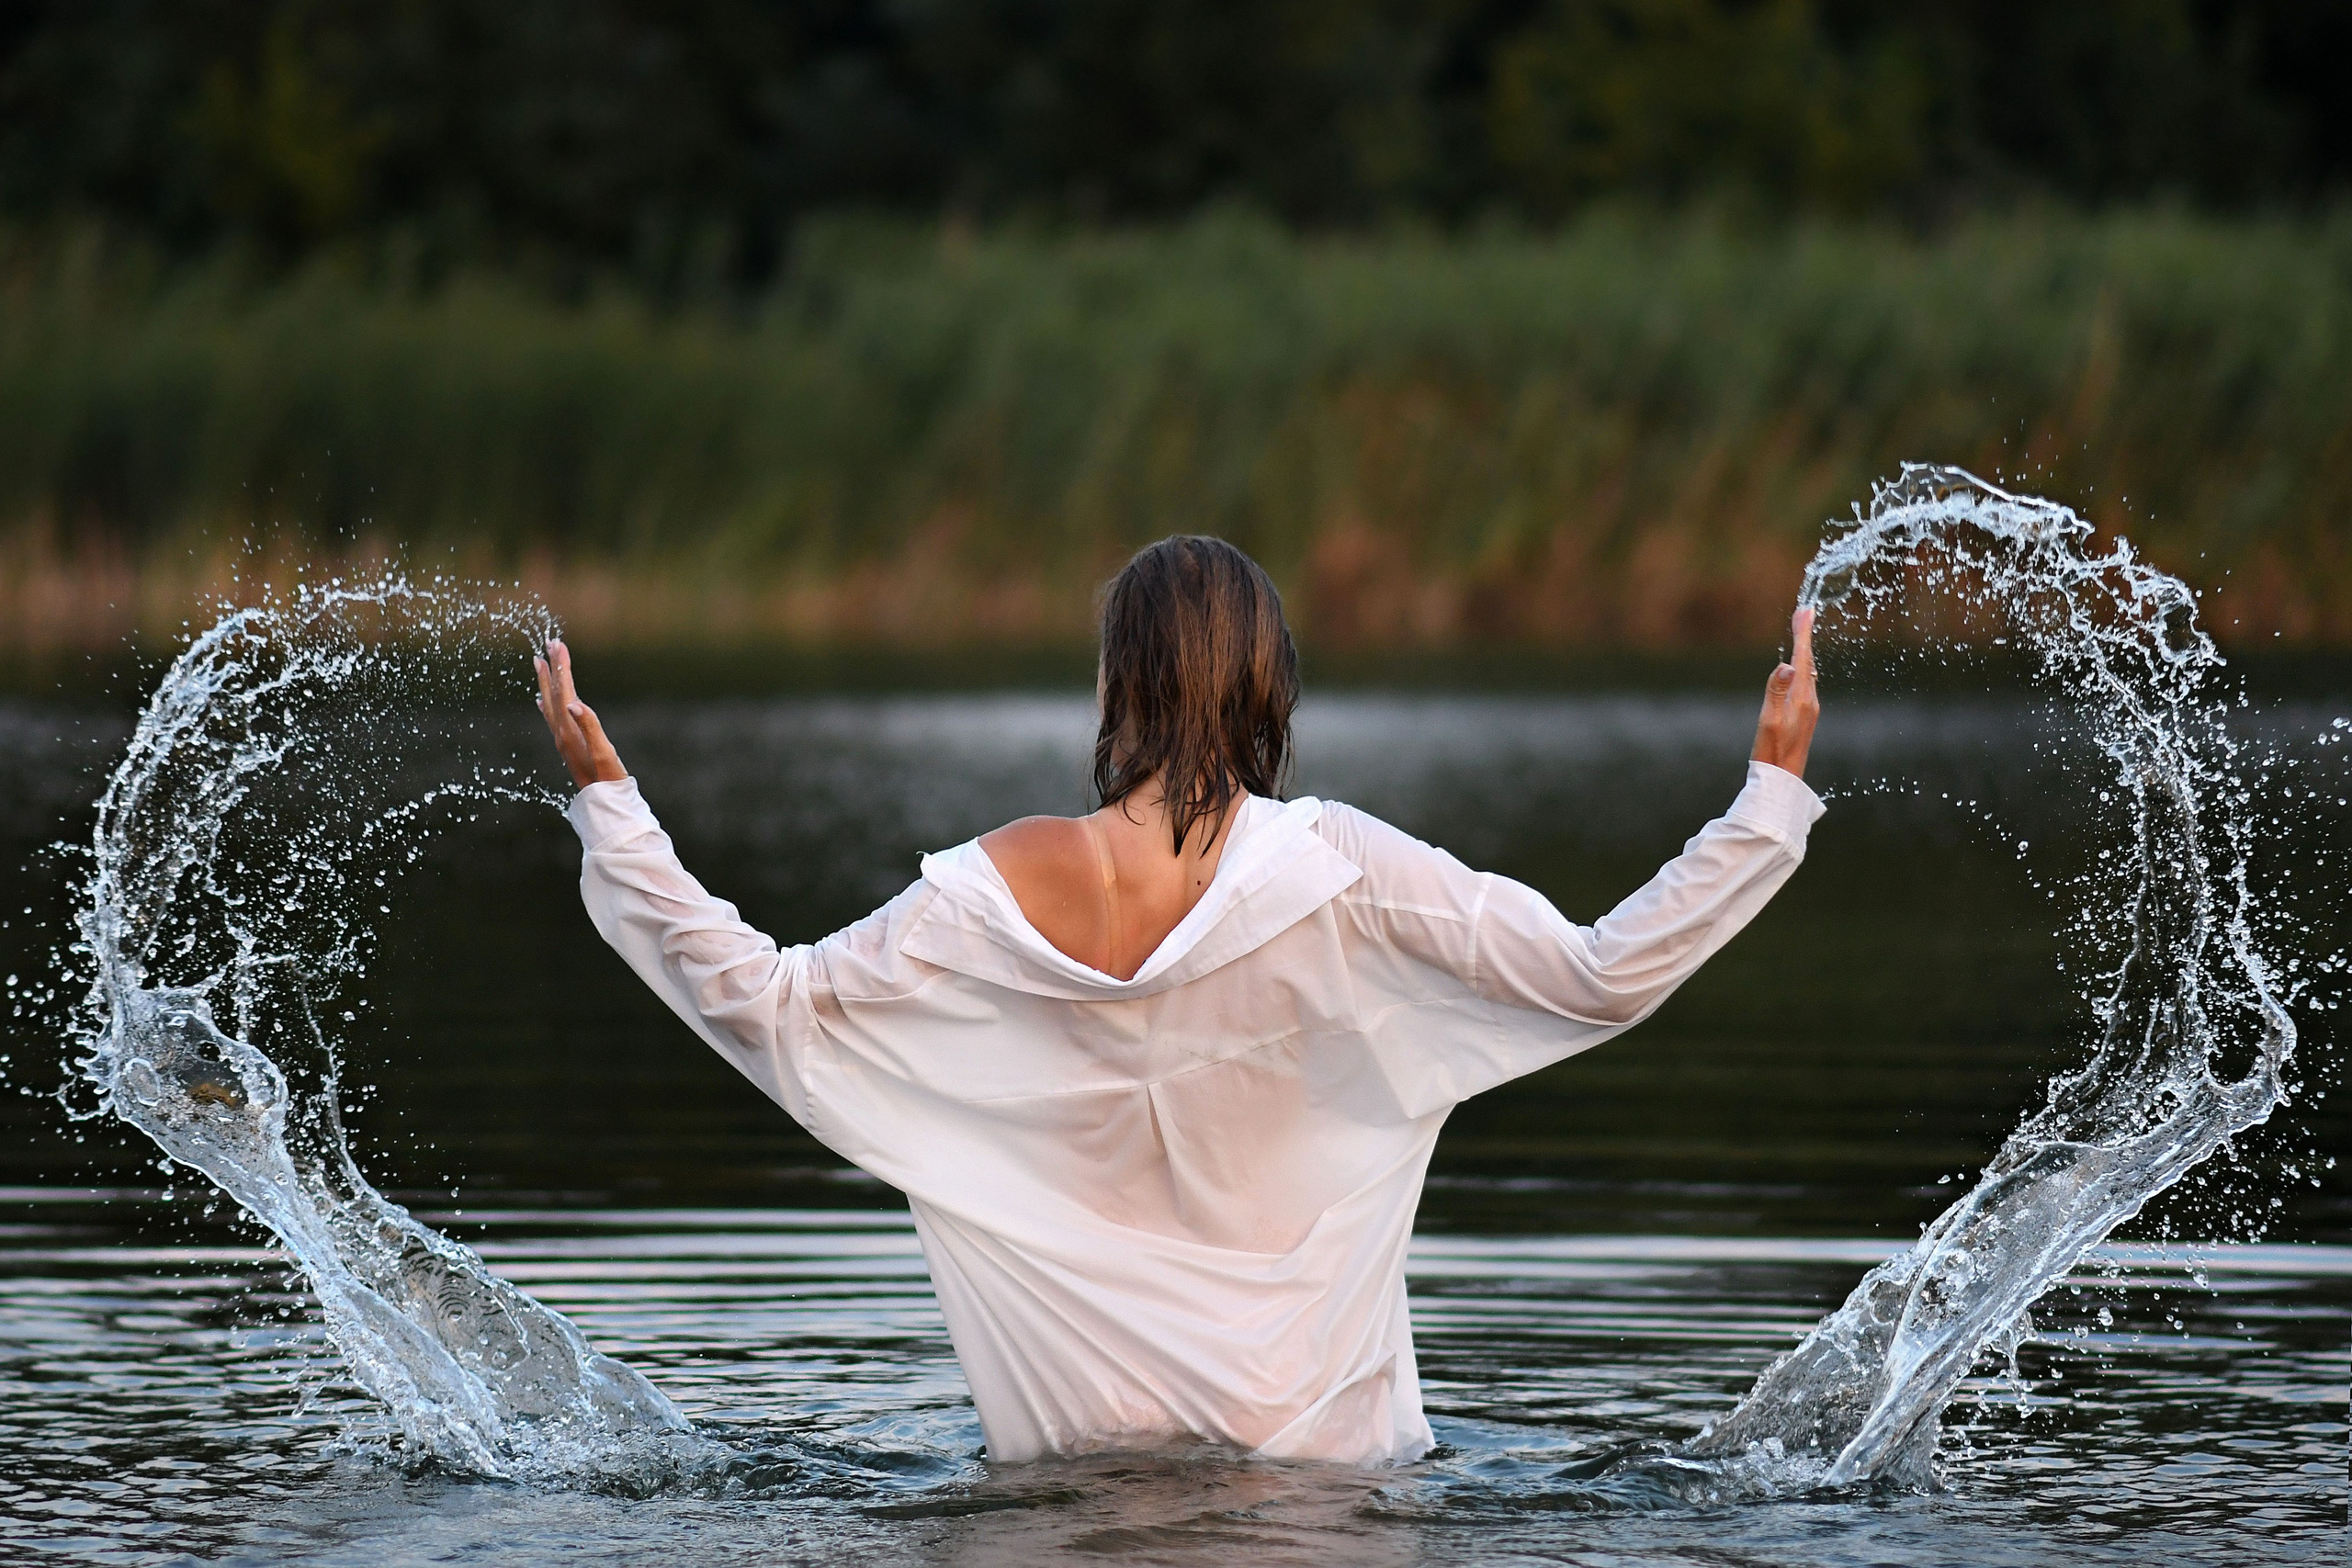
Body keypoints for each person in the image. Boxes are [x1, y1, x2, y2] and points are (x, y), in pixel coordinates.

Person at [534, 535, 1822, 1465]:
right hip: (1318, 1492)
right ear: (1271, 688)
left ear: (1116, 684)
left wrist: (614, 803)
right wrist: (1767, 795)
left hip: (1074, 1477)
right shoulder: (1340, 868)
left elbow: (762, 1000)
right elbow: (1601, 972)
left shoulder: (994, 886)